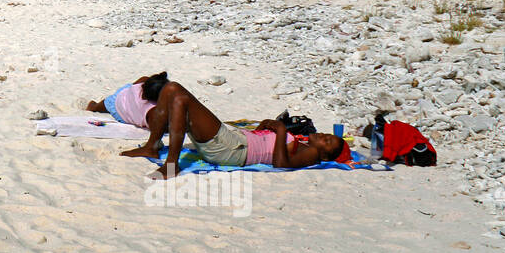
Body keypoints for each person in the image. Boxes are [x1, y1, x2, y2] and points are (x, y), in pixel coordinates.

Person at [112, 77, 346, 179]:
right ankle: (152, 146)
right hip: (233, 141)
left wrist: (282, 132)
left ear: (324, 154)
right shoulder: (305, 143)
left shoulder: (312, 155)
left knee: (177, 94)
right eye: (328, 137)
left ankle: (168, 162)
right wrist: (269, 128)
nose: (324, 137)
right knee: (172, 91)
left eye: (327, 142)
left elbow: (281, 164)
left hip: (233, 150)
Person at [85, 71, 168, 128]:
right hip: (118, 108)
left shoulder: (141, 84)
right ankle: (93, 107)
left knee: (96, 106)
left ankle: (93, 106)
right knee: (103, 106)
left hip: (121, 97)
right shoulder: (150, 111)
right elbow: (160, 127)